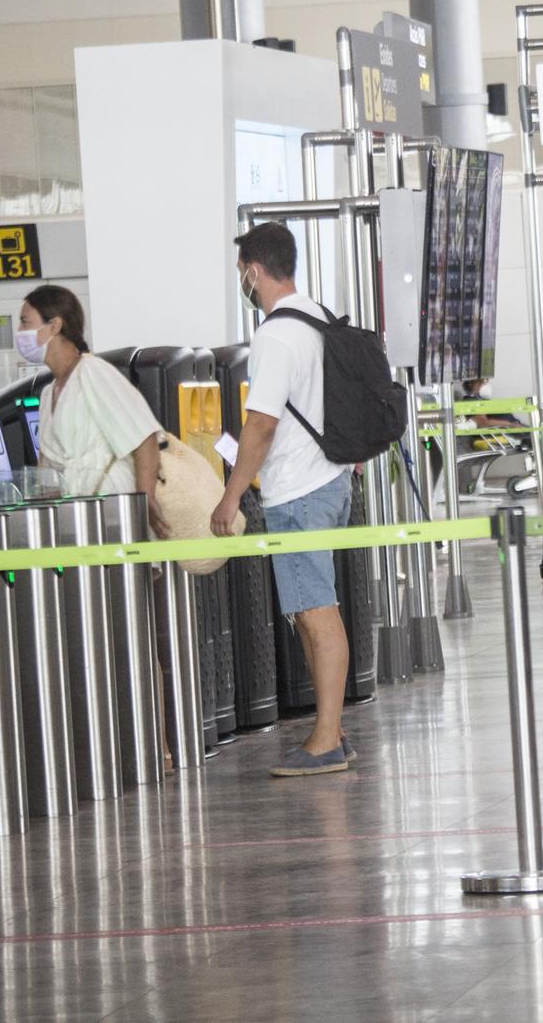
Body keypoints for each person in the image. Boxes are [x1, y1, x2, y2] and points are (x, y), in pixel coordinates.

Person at [210, 223, 357, 776]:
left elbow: (262, 425)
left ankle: (325, 741)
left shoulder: (274, 335)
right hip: (331, 480)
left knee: (316, 614)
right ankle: (333, 726)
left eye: (241, 272)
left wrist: (229, 498)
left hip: (297, 490)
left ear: (252, 269)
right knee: (311, 609)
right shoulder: (316, 316)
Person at [23, 285, 166, 527]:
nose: (19, 331)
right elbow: (47, 467)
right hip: (77, 516)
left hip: (113, 511)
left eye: (25, 322)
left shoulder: (93, 373)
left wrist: (145, 502)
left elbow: (144, 437)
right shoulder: (48, 393)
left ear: (54, 326)